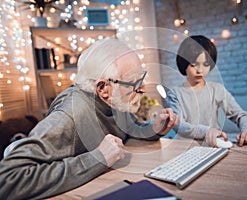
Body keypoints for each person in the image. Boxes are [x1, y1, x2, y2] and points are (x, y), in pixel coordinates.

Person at [0, 38, 178, 199]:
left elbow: (129, 129)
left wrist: (154, 128)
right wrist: (99, 158)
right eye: (135, 82)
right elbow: (7, 180)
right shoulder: (70, 115)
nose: (144, 89)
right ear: (103, 88)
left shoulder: (114, 100)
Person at [167, 35, 247, 147]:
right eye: (194, 65)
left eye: (206, 64)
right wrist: (207, 131)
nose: (200, 70)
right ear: (184, 64)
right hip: (184, 148)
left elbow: (241, 115)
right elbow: (178, 125)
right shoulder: (175, 93)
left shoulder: (217, 90)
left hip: (213, 147)